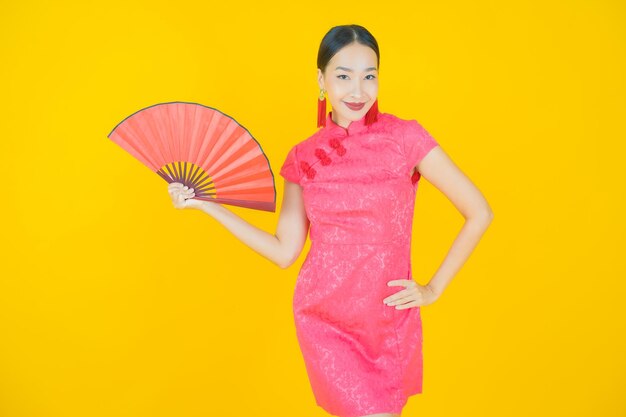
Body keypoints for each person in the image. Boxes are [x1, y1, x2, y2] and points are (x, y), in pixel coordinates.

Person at [168, 24, 493, 417]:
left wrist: (433, 289)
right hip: (324, 319)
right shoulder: (303, 157)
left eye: (368, 76)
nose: (357, 91)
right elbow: (284, 251)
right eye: (343, 76)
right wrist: (207, 205)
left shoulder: (405, 138)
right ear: (321, 79)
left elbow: (479, 211)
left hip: (384, 318)